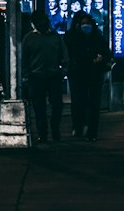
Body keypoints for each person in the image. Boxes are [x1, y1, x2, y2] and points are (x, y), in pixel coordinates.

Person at [63, 10, 112, 141]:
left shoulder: (97, 37)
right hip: (80, 73)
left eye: (88, 23)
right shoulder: (74, 37)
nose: (86, 26)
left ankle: (91, 132)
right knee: (80, 102)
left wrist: (101, 58)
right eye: (83, 23)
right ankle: (80, 127)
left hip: (93, 74)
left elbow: (107, 53)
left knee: (93, 104)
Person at [22, 11, 67, 142]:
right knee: (39, 107)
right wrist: (27, 75)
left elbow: (64, 56)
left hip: (53, 76)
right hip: (36, 77)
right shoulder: (29, 38)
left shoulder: (55, 37)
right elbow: (24, 59)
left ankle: (54, 130)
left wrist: (63, 70)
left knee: (57, 105)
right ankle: (43, 133)